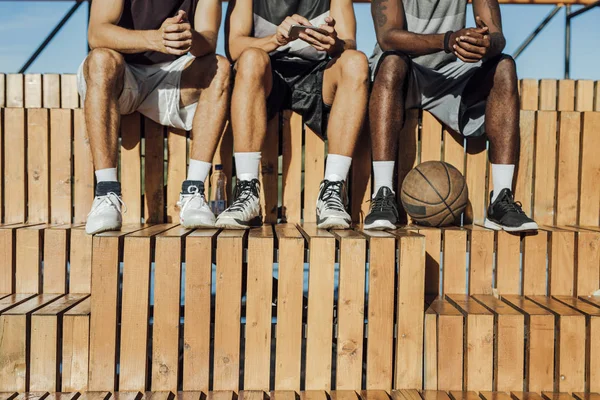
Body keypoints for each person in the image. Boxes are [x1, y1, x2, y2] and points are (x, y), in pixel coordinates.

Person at [365, 0, 538, 232]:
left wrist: (487, 44)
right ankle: (383, 194)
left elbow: (498, 36)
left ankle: (501, 201)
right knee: (392, 63)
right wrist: (448, 40)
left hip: (447, 75)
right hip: (401, 72)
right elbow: (388, 37)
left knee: (505, 66)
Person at [79, 0, 230, 234]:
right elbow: (96, 33)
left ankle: (194, 193)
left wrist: (189, 36)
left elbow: (208, 41)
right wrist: (155, 39)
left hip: (172, 76)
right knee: (101, 59)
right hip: (122, 73)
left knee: (219, 66)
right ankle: (105, 195)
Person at [216, 0, 370, 229]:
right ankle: (247, 191)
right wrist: (276, 39)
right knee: (249, 58)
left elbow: (349, 43)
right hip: (267, 74)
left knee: (356, 61)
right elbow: (234, 47)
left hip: (318, 75)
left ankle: (333, 191)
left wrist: (334, 44)